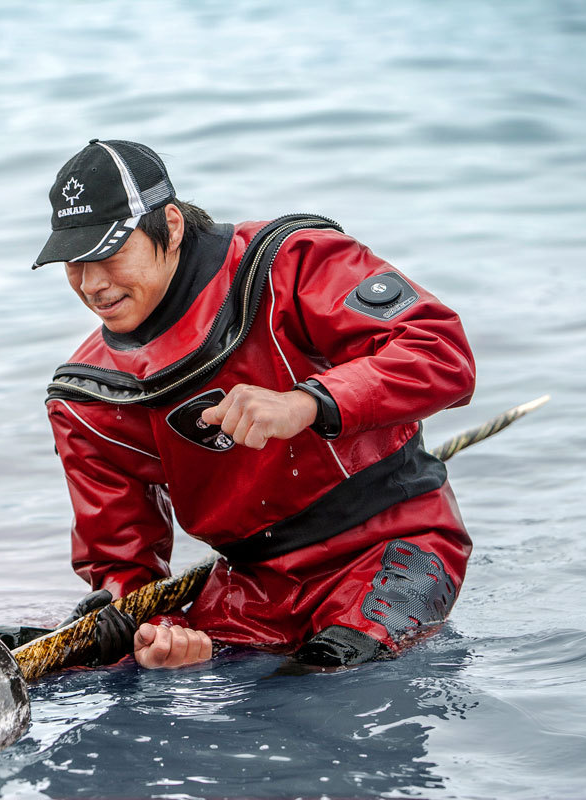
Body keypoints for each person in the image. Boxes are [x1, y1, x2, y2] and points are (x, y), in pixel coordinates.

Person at [31, 139, 476, 668]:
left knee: (327, 681)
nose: (92, 283)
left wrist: (308, 403)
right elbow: (125, 573)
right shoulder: (86, 396)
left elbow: (443, 353)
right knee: (141, 678)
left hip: (392, 542)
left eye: (109, 252)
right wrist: (163, 635)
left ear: (170, 226)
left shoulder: (290, 262)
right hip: (252, 586)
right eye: (73, 262)